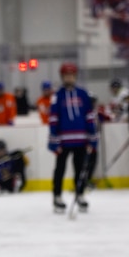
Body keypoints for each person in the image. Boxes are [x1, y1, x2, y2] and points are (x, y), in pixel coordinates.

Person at [47, 62, 97, 213]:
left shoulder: (83, 94)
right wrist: (54, 140)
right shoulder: (57, 96)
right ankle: (57, 196)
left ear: (75, 76)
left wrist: (92, 137)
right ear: (63, 77)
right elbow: (53, 118)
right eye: (66, 75)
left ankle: (80, 194)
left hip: (81, 140)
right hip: (63, 141)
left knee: (80, 170)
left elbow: (89, 116)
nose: (69, 78)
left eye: (72, 75)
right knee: (60, 170)